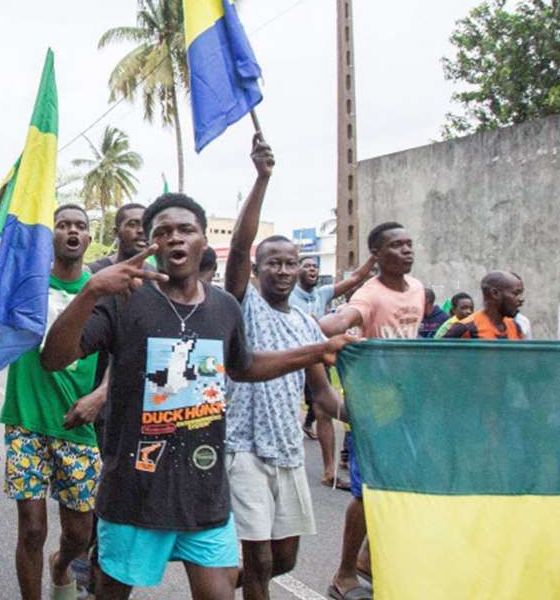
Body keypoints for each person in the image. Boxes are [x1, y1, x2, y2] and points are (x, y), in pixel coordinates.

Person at [40, 193, 353, 600]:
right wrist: (91, 291)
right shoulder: (124, 299)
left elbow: (242, 366)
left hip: (204, 493)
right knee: (110, 593)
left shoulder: (224, 307)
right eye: (163, 233)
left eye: (186, 230)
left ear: (203, 241)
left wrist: (315, 352)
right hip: (134, 494)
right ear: (151, 245)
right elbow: (54, 357)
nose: (176, 239)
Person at [223, 136, 348, 600]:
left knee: (284, 560)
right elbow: (238, 246)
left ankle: (216, 586)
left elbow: (321, 395)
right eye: (271, 263)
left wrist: (363, 417)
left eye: (290, 263)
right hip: (243, 449)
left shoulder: (307, 324)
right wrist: (262, 179)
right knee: (258, 561)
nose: (282, 270)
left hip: (288, 452)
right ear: (257, 271)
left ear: (300, 270)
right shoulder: (244, 306)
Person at [0, 194, 101, 600]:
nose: (72, 230)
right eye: (63, 224)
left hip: (78, 424)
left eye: (79, 225)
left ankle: (61, 564)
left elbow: (130, 352)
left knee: (80, 532)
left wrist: (101, 395)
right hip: (26, 419)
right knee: (31, 527)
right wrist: (11, 181)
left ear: (90, 237)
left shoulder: (101, 288)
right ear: (51, 234)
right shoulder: (27, 277)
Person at [318, 221, 425, 600]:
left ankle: (367, 558)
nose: (407, 250)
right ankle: (343, 575)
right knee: (366, 494)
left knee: (395, 487)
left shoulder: (418, 290)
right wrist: (323, 327)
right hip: (374, 409)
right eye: (398, 245)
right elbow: (341, 320)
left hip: (407, 405)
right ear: (377, 256)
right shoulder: (370, 294)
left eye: (410, 243)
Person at [290, 254, 373, 488]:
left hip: (318, 357)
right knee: (295, 403)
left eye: (315, 266)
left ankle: (329, 472)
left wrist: (372, 258)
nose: (312, 270)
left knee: (322, 407)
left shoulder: (323, 293)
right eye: (306, 266)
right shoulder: (288, 292)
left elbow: (355, 278)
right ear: (298, 271)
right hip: (292, 359)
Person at [442, 271, 525, 340]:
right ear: (495, 293)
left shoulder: (515, 327)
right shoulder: (466, 328)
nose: (521, 299)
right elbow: (439, 356)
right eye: (515, 293)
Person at [86, 203, 145, 273]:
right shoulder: (92, 272)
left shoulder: (155, 275)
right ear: (116, 232)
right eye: (133, 224)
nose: (141, 230)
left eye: (146, 224)